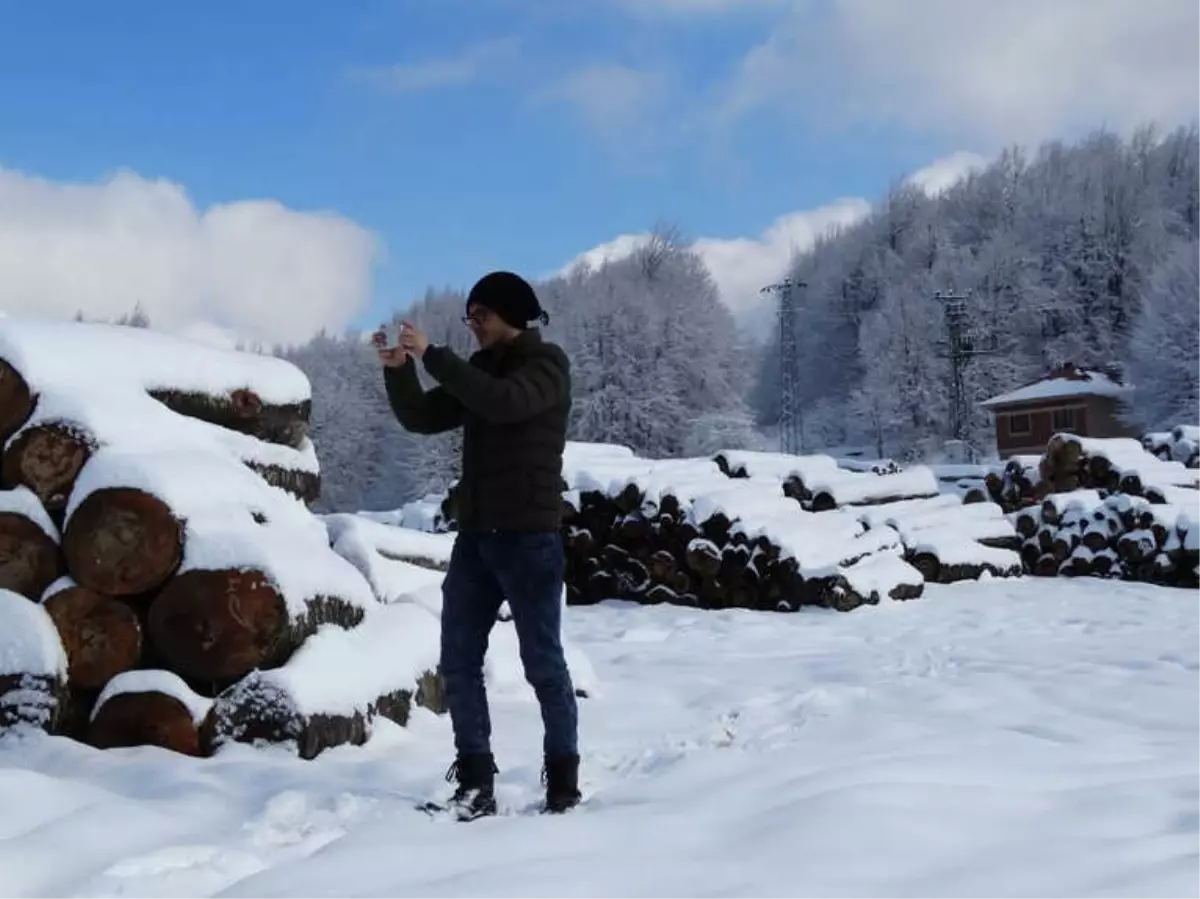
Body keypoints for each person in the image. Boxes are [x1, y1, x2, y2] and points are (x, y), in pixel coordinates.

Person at [374, 270, 580, 820]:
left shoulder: (547, 366)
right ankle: (474, 783)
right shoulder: (480, 370)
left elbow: (505, 404)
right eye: (469, 318)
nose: (473, 327)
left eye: (480, 316)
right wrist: (400, 373)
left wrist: (437, 355)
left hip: (530, 537)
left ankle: (563, 779)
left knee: (543, 665)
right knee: (459, 662)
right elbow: (422, 418)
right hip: (477, 539)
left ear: (511, 313)